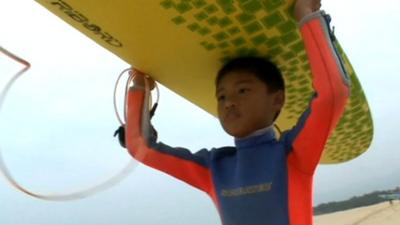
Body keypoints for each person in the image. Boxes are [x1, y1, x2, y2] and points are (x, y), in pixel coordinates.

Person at [122, 0, 350, 224]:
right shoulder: (214, 167)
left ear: (277, 99)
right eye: (221, 96)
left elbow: (332, 93)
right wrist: (139, 88)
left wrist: (307, 15)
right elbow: (141, 148)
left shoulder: (293, 155)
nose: (229, 101)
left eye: (242, 90)